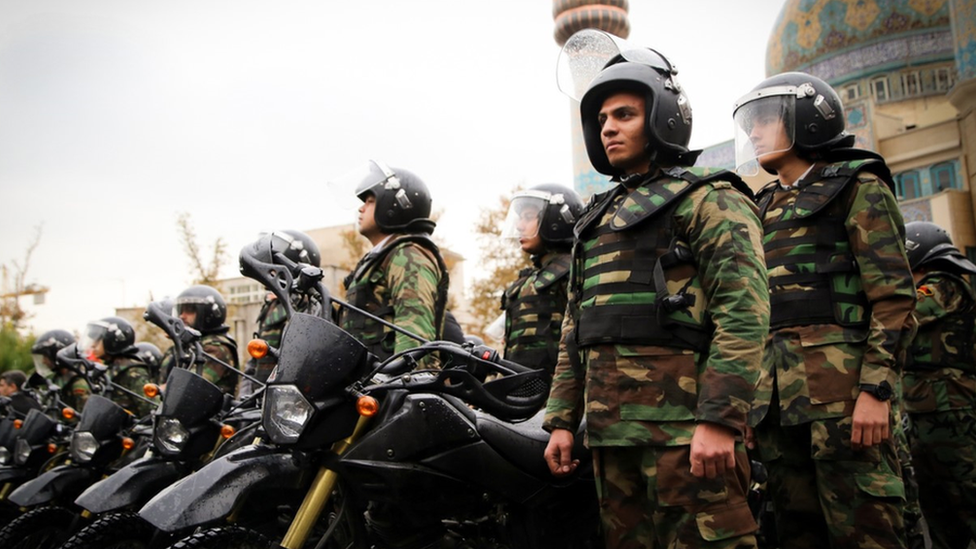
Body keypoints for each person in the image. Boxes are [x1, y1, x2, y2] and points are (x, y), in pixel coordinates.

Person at [543, 36, 770, 548]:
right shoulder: (594, 220)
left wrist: (719, 420)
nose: (608, 128)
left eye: (623, 114)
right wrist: (560, 421)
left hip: (686, 435)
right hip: (609, 440)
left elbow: (745, 316)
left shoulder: (710, 199)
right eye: (601, 119)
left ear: (663, 114)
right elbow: (574, 330)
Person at [735, 71, 915, 548]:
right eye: (749, 123)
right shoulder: (762, 206)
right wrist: (752, 407)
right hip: (777, 407)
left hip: (846, 401)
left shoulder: (858, 186)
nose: (752, 132)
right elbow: (753, 315)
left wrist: (876, 390)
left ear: (807, 120)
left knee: (867, 529)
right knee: (795, 530)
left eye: (764, 120)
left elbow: (893, 297)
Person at [902, 221, 976, 548]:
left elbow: (906, 314)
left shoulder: (944, 286)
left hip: (956, 416)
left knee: (966, 499)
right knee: (938, 511)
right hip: (924, 418)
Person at [338, 160, 449, 370]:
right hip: (368, 382)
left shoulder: (407, 254)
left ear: (393, 204)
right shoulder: (378, 258)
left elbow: (414, 332)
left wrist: (400, 383)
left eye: (369, 201)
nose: (361, 209)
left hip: (392, 387)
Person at [500, 183, 582, 374]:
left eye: (528, 217)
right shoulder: (527, 280)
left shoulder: (574, 271)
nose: (520, 225)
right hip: (522, 393)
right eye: (520, 218)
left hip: (559, 395)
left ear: (556, 219)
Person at [162, 285, 240, 396]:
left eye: (190, 310)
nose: (182, 316)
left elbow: (187, 386)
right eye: (181, 310)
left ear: (208, 313)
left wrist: (157, 391)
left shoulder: (216, 348)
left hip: (214, 412)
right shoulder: (192, 344)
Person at [81, 316, 158, 416]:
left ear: (113, 340)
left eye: (98, 340)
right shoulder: (109, 369)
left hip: (131, 430)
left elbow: (150, 410)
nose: (93, 345)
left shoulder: (132, 371)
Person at [30, 328, 90, 412]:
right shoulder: (56, 379)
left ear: (56, 353)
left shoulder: (78, 384)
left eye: (45, 356)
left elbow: (85, 418)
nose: (43, 361)